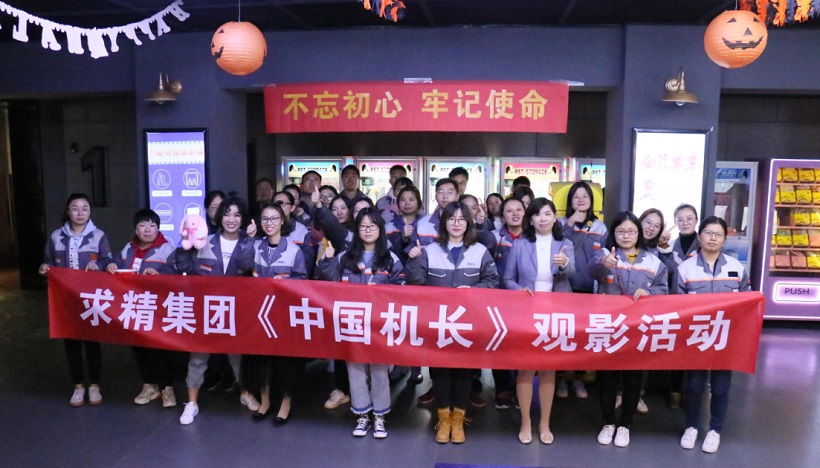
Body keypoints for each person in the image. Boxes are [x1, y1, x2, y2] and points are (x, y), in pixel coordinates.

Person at [406, 201, 499, 444]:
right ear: (443, 222)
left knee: (464, 372)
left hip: (468, 325)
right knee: (439, 371)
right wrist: (414, 259)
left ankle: (458, 421)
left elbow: (492, 281)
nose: (456, 223)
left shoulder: (480, 251)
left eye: (461, 219)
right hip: (438, 324)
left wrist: (474, 290)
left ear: (468, 223)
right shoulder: (429, 250)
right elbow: (416, 284)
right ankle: (443, 419)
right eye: (451, 219)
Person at [316, 208, 405, 439]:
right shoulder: (345, 256)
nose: (367, 230)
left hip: (379, 326)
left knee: (379, 372)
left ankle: (380, 417)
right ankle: (362, 415)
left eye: (372, 226)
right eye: (363, 226)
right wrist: (326, 261)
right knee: (355, 371)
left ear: (380, 230)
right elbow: (329, 284)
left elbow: (402, 293)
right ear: (357, 230)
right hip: (352, 324)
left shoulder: (391, 258)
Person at [174, 196, 260, 425]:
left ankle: (245, 393)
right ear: (219, 217)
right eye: (227, 214)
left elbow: (247, 266)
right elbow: (183, 266)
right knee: (198, 357)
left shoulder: (249, 242)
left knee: (238, 356)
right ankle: (191, 402)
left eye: (237, 215)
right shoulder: (205, 241)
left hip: (236, 310)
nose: (231, 219)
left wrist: (249, 241)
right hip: (206, 310)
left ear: (243, 218)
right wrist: (185, 243)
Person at [590, 211, 668, 448]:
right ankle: (608, 422)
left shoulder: (653, 261)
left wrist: (649, 292)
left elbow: (663, 289)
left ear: (638, 233)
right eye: (621, 231)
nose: (626, 236)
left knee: (634, 378)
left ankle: (625, 425)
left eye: (631, 231)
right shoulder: (605, 254)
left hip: (638, 328)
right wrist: (604, 264)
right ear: (613, 233)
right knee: (608, 378)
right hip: (609, 328)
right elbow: (591, 272)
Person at [677, 216, 751, 454]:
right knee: (694, 384)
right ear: (700, 236)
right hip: (696, 337)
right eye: (708, 233)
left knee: (720, 386)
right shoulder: (686, 268)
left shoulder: (736, 267)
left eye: (718, 234)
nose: (712, 238)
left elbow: (747, 300)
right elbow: (675, 305)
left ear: (724, 239)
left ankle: (715, 430)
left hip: (725, 337)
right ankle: (691, 427)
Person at [502, 198, 574, 445]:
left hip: (555, 312)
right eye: (537, 214)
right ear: (530, 220)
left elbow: (572, 273)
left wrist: (564, 264)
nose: (543, 218)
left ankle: (544, 422)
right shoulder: (520, 244)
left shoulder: (565, 243)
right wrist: (519, 290)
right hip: (526, 312)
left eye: (547, 213)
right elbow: (507, 278)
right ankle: (525, 421)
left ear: (555, 217)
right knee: (525, 367)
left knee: (547, 369)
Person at [40, 193, 114, 407]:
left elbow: (108, 260)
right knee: (71, 343)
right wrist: (45, 269)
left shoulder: (98, 235)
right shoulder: (56, 236)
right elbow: (48, 263)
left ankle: (94, 385)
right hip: (65, 299)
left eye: (84, 208)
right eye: (75, 208)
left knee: (92, 342)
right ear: (68, 211)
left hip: (91, 298)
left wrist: (98, 265)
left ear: (90, 212)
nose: (80, 213)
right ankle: (78, 386)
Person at [242, 202, 308, 426]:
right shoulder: (255, 246)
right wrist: (249, 240)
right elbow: (242, 266)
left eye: (274, 219)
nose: (269, 223)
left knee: (285, 361)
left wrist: (286, 282)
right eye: (265, 219)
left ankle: (285, 403)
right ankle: (265, 401)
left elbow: (302, 281)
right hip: (260, 313)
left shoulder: (294, 250)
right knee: (261, 360)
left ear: (282, 221)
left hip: (284, 314)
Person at [106, 209, 178, 408]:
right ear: (136, 230)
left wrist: (159, 274)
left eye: (152, 225)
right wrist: (111, 266)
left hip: (158, 310)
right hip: (134, 308)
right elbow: (116, 263)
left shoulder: (167, 249)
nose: (147, 230)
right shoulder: (128, 249)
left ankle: (167, 389)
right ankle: (149, 386)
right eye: (142, 225)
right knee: (139, 348)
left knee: (158, 350)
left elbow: (175, 272)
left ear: (158, 229)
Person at [407, 177, 459, 392]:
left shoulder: (463, 220)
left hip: (458, 292)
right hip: (429, 292)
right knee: (433, 340)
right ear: (435, 195)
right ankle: (436, 389)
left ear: (457, 195)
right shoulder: (423, 223)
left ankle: (461, 391)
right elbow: (413, 253)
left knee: (459, 341)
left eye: (450, 191)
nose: (445, 196)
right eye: (440, 192)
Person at [557, 181, 607, 399]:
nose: (580, 200)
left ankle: (578, 378)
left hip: (588, 289)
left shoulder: (600, 227)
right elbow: (555, 242)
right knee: (561, 335)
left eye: (585, 196)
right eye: (576, 196)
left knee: (582, 337)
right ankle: (559, 378)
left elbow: (603, 257)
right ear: (570, 200)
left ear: (591, 200)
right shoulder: (560, 223)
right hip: (563, 288)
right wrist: (570, 223)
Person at [657, 203, 700, 409]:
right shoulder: (670, 245)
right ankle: (675, 390)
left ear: (696, 220)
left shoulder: (705, 242)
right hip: (674, 303)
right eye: (680, 219)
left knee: (696, 347)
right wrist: (663, 248)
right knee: (676, 348)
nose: (685, 222)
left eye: (689, 218)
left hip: (699, 305)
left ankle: (693, 392)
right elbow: (665, 271)